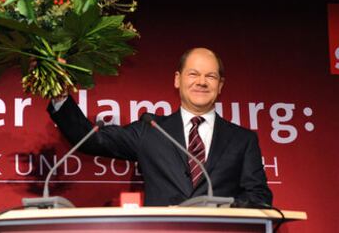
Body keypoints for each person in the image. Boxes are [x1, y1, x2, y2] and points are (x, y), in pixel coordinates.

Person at [48, 47, 273, 207]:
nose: (202, 82)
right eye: (193, 74)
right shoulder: (152, 129)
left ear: (220, 85)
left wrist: (221, 210)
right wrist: (60, 96)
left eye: (211, 76)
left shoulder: (242, 140)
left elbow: (260, 196)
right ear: (178, 79)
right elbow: (89, 139)